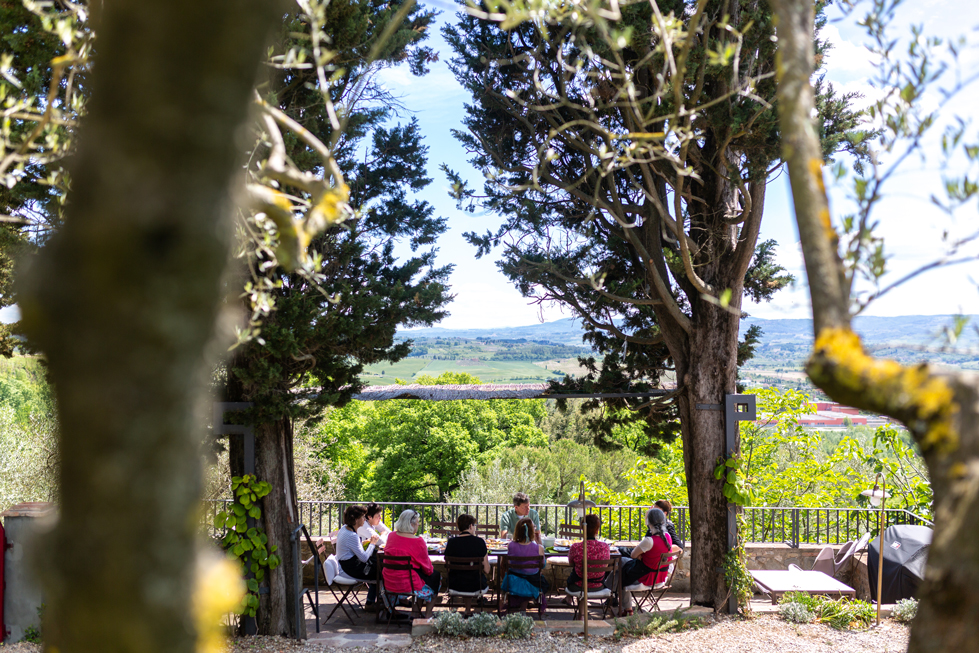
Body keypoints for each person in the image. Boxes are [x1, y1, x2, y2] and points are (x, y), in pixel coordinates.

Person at [617, 507, 678, 616]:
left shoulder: (649, 540)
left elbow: (633, 555)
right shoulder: (667, 537)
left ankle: (621, 602)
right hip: (660, 577)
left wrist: (641, 555)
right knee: (621, 568)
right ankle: (626, 606)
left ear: (648, 522)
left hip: (646, 578)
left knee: (620, 565)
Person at [383, 509, 441, 605]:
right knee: (436, 577)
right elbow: (428, 569)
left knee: (421, 574)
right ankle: (426, 614)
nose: (418, 525)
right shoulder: (418, 541)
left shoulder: (391, 536)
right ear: (411, 524)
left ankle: (398, 611)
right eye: (417, 523)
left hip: (389, 582)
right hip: (409, 584)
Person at [335, 504, 380, 609]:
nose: (364, 519)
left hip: (347, 564)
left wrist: (363, 543)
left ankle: (372, 601)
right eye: (362, 517)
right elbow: (364, 558)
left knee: (378, 563)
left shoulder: (344, 529)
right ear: (355, 519)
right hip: (351, 568)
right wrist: (372, 543)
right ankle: (375, 603)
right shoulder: (352, 535)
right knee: (382, 570)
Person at [503, 516, 549, 612]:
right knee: (541, 580)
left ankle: (519, 606)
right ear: (532, 531)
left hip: (513, 580)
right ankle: (525, 606)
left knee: (517, 576)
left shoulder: (510, 545)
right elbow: (543, 565)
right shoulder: (539, 548)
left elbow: (507, 564)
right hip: (533, 581)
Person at [444, 513, 490, 593]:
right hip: (476, 585)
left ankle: (461, 602)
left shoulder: (451, 542)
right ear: (471, 526)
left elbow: (448, 569)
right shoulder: (479, 542)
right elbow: (486, 570)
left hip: (455, 585)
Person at [565, 514, 610, 592]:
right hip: (599, 586)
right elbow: (606, 565)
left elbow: (571, 563)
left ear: (582, 529)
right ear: (597, 530)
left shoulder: (575, 547)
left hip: (578, 586)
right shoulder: (605, 547)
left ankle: (574, 600)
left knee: (572, 577)